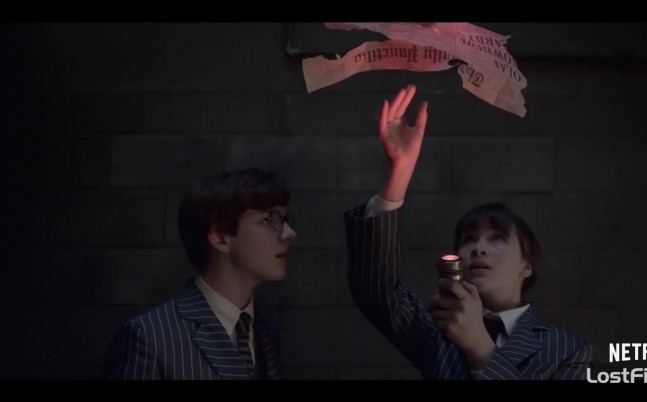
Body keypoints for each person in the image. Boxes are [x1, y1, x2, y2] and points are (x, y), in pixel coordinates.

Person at [344, 84, 594, 380]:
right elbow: (375, 289)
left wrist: (480, 347)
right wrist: (400, 170)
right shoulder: (436, 332)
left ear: (527, 265)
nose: (478, 248)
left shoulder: (567, 350)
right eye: (469, 239)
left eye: (497, 238)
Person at [105, 168, 297, 380]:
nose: (289, 234)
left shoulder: (269, 334)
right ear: (220, 236)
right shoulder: (151, 338)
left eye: (284, 220)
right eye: (268, 219)